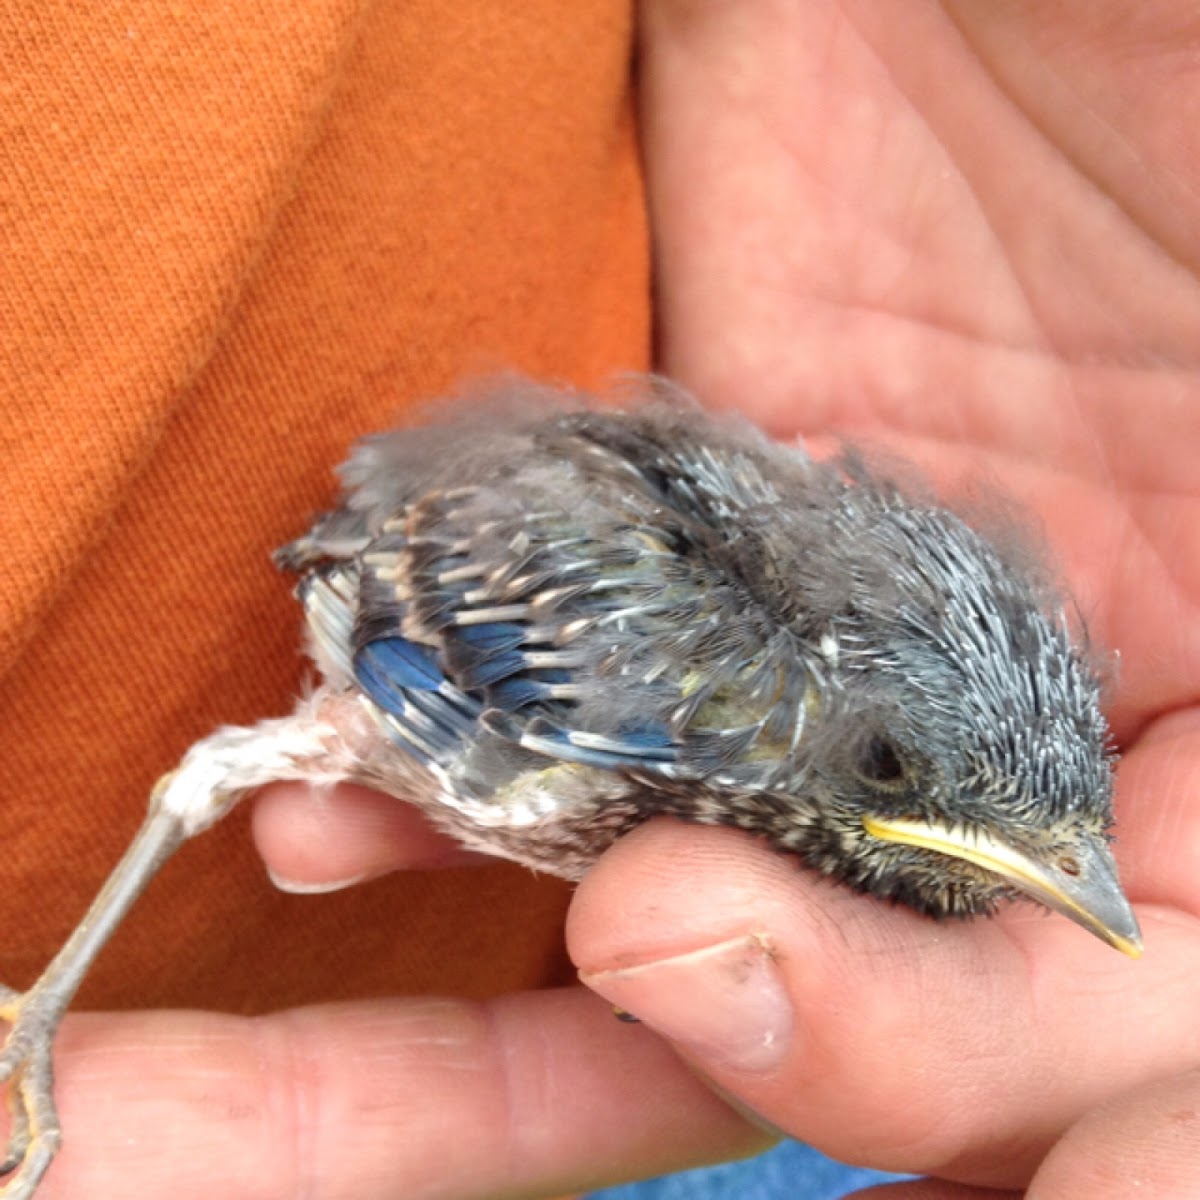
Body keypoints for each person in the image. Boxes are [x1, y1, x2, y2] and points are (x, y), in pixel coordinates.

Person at [4, 3, 1199, 1197]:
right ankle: (38, 1014)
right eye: (889, 768)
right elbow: (370, 612)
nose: (1071, 883)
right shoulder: (632, 697)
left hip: (672, 1064)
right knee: (227, 780)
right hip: (408, 658)